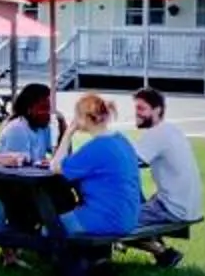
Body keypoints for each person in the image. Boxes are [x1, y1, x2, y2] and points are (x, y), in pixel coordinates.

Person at [129, 88, 200, 268]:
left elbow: (126, 163)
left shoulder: (156, 134)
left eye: (142, 108)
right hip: (188, 205)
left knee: (114, 219)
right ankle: (164, 254)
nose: (137, 113)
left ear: (157, 110)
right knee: (131, 198)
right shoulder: (172, 130)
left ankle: (163, 253)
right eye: (135, 108)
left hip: (171, 208)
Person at [56, 92, 142, 237]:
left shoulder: (96, 147)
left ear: (85, 118)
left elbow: (56, 166)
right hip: (128, 217)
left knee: (49, 227)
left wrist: (68, 133)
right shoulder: (121, 140)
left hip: (105, 219)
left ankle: (71, 258)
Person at [0, 82, 57, 164]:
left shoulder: (44, 127)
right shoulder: (17, 128)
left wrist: (64, 129)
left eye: (50, 109)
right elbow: (20, 166)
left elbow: (60, 156)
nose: (48, 113)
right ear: (29, 108)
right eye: (43, 108)